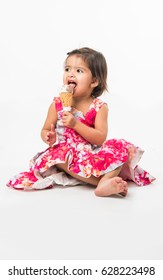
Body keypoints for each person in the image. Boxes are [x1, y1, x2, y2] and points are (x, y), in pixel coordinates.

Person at [7, 47, 155, 196]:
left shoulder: (99, 107)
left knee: (120, 147)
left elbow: (100, 138)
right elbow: (45, 129)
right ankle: (102, 183)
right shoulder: (57, 104)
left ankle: (106, 181)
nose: (70, 74)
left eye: (79, 71)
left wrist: (75, 124)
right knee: (59, 154)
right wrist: (48, 136)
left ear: (94, 81)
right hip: (63, 153)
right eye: (67, 69)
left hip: (89, 154)